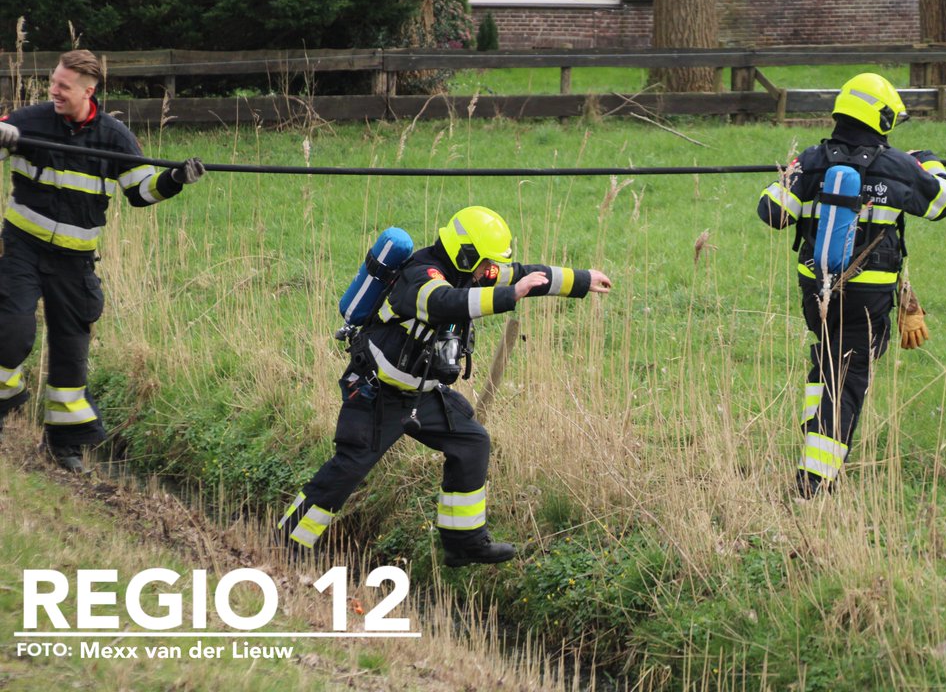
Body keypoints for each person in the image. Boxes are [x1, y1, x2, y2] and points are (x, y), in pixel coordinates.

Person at [279, 205, 612, 567]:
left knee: (471, 442)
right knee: (348, 469)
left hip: (422, 395)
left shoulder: (470, 270)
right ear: (465, 253)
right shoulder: (420, 276)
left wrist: (581, 280)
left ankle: (464, 544)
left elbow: (523, 274)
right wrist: (508, 296)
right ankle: (288, 542)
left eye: (490, 265)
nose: (491, 271)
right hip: (378, 394)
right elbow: (444, 302)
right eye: (486, 263)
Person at [757, 73, 946, 496]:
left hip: (815, 292)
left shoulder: (813, 159)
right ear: (884, 118)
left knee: (829, 357)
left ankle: (814, 424)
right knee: (848, 381)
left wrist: (792, 173)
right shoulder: (899, 166)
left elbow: (772, 212)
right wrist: (928, 161)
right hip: (867, 300)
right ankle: (814, 480)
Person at [0, 49, 205, 472]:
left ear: (88, 91)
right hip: (22, 249)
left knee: (71, 357)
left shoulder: (115, 137)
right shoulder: (29, 122)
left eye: (63, 86)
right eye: (53, 82)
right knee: (12, 333)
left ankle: (64, 444)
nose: (53, 90)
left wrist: (176, 179)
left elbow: (141, 190)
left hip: (75, 263)